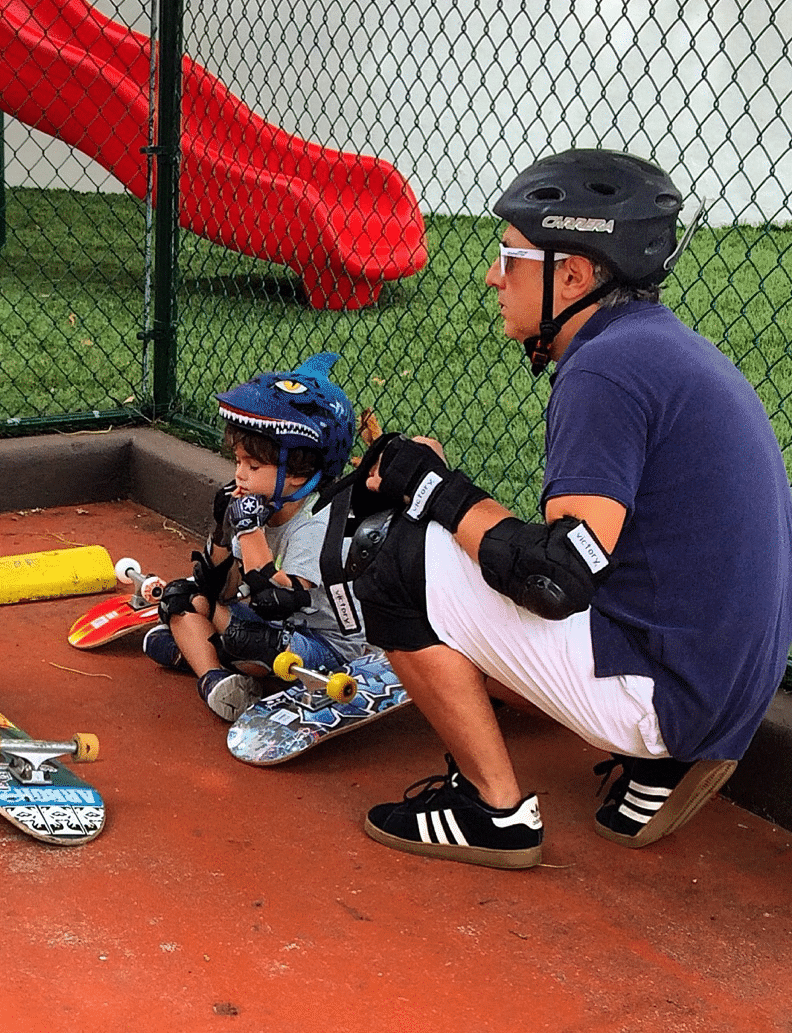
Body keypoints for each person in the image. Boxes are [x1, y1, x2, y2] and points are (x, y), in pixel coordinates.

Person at [347, 148, 792, 869]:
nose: (494, 276)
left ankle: (491, 814)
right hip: (724, 686)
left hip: (674, 694)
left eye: (511, 257)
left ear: (575, 275)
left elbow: (556, 579)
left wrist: (427, 487)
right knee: (470, 548)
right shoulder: (662, 347)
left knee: (391, 554)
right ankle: (658, 763)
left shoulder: (606, 369)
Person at [142, 351, 370, 721]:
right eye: (238, 462)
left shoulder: (319, 524)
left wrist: (249, 531)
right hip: (282, 629)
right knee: (180, 598)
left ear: (298, 473)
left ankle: (200, 651)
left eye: (254, 465)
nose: (240, 475)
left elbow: (275, 599)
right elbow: (224, 591)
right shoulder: (261, 505)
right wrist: (222, 530)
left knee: (244, 640)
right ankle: (214, 680)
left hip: (331, 646)